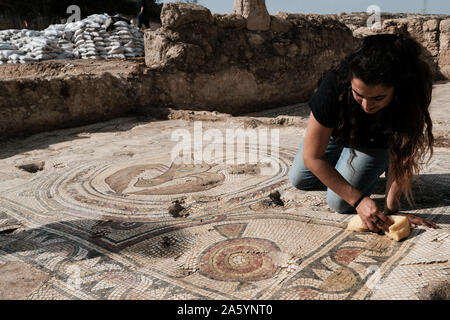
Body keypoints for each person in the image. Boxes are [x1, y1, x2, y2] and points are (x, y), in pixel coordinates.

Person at [289, 34, 439, 233]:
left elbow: (401, 151)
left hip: (375, 141)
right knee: (300, 179)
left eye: (378, 97)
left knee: (339, 203)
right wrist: (359, 200)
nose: (367, 105)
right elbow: (312, 157)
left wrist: (392, 210)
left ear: (395, 88)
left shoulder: (410, 91)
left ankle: (373, 162)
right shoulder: (333, 84)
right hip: (339, 132)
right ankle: (347, 162)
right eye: (358, 95)